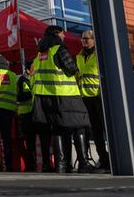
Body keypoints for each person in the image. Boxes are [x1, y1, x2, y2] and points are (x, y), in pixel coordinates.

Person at [33, 25, 92, 173]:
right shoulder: (59, 49)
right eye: (62, 34)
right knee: (80, 126)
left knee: (58, 129)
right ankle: (83, 164)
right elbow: (71, 69)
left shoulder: (40, 54)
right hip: (67, 95)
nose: (64, 36)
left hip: (46, 98)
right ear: (56, 35)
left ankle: (61, 164)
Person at [76, 30, 108, 171]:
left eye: (87, 39)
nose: (84, 41)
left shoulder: (100, 54)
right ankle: (104, 159)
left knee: (106, 129)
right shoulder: (79, 57)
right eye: (82, 39)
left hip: (99, 97)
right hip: (85, 98)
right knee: (95, 131)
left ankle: (114, 158)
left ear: (94, 40)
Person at [17, 62, 37, 172]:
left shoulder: (29, 79)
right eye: (33, 68)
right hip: (26, 114)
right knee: (29, 141)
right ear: (28, 70)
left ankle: (32, 164)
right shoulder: (24, 80)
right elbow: (25, 95)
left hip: (30, 113)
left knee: (31, 141)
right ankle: (30, 165)